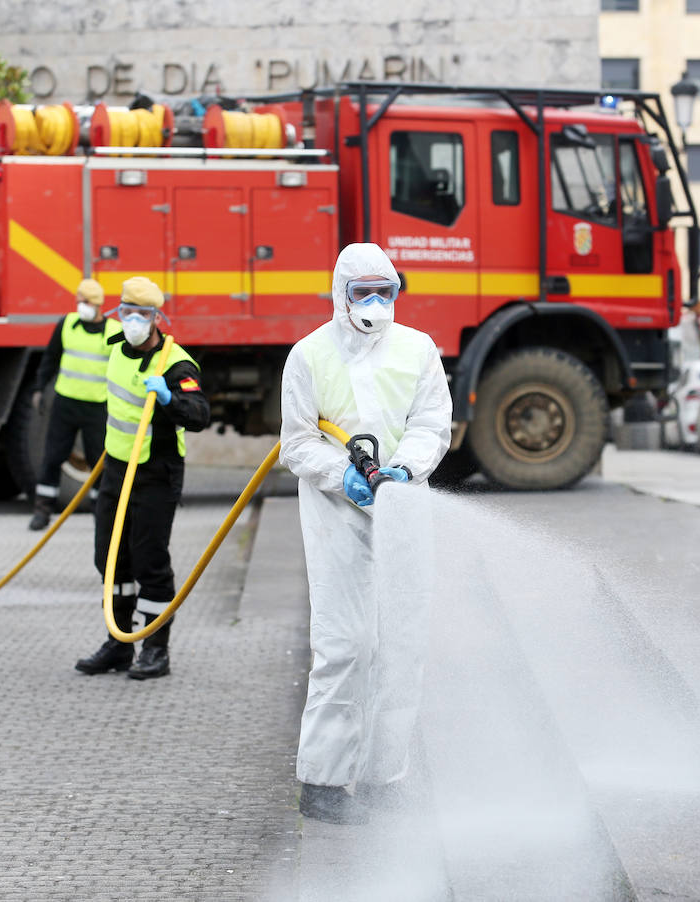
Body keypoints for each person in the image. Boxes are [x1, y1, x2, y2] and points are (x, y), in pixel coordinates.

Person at [279, 243, 452, 825]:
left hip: (403, 509)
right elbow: (297, 442)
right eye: (363, 293)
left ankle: (385, 779)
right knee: (346, 644)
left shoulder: (418, 349)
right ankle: (324, 783)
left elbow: (431, 423)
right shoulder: (308, 355)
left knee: (402, 646)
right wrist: (343, 475)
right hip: (337, 514)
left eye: (386, 291)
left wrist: (405, 469)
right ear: (341, 295)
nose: (375, 303)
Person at [77, 276, 210, 680]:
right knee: (110, 558)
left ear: (156, 318)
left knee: (149, 560)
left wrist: (171, 399)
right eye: (128, 312)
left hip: (155, 473)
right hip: (117, 470)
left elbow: (199, 414)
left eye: (143, 314)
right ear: (118, 313)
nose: (134, 320)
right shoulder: (116, 346)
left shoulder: (175, 363)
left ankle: (155, 648)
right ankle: (119, 644)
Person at [28, 279, 118, 530]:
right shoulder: (67, 324)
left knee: (98, 463)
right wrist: (39, 388)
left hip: (96, 408)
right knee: (52, 457)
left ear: (97, 304)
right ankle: (42, 510)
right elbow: (50, 359)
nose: (80, 306)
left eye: (85, 302)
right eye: (78, 301)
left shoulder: (113, 332)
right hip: (65, 405)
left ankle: (102, 514)